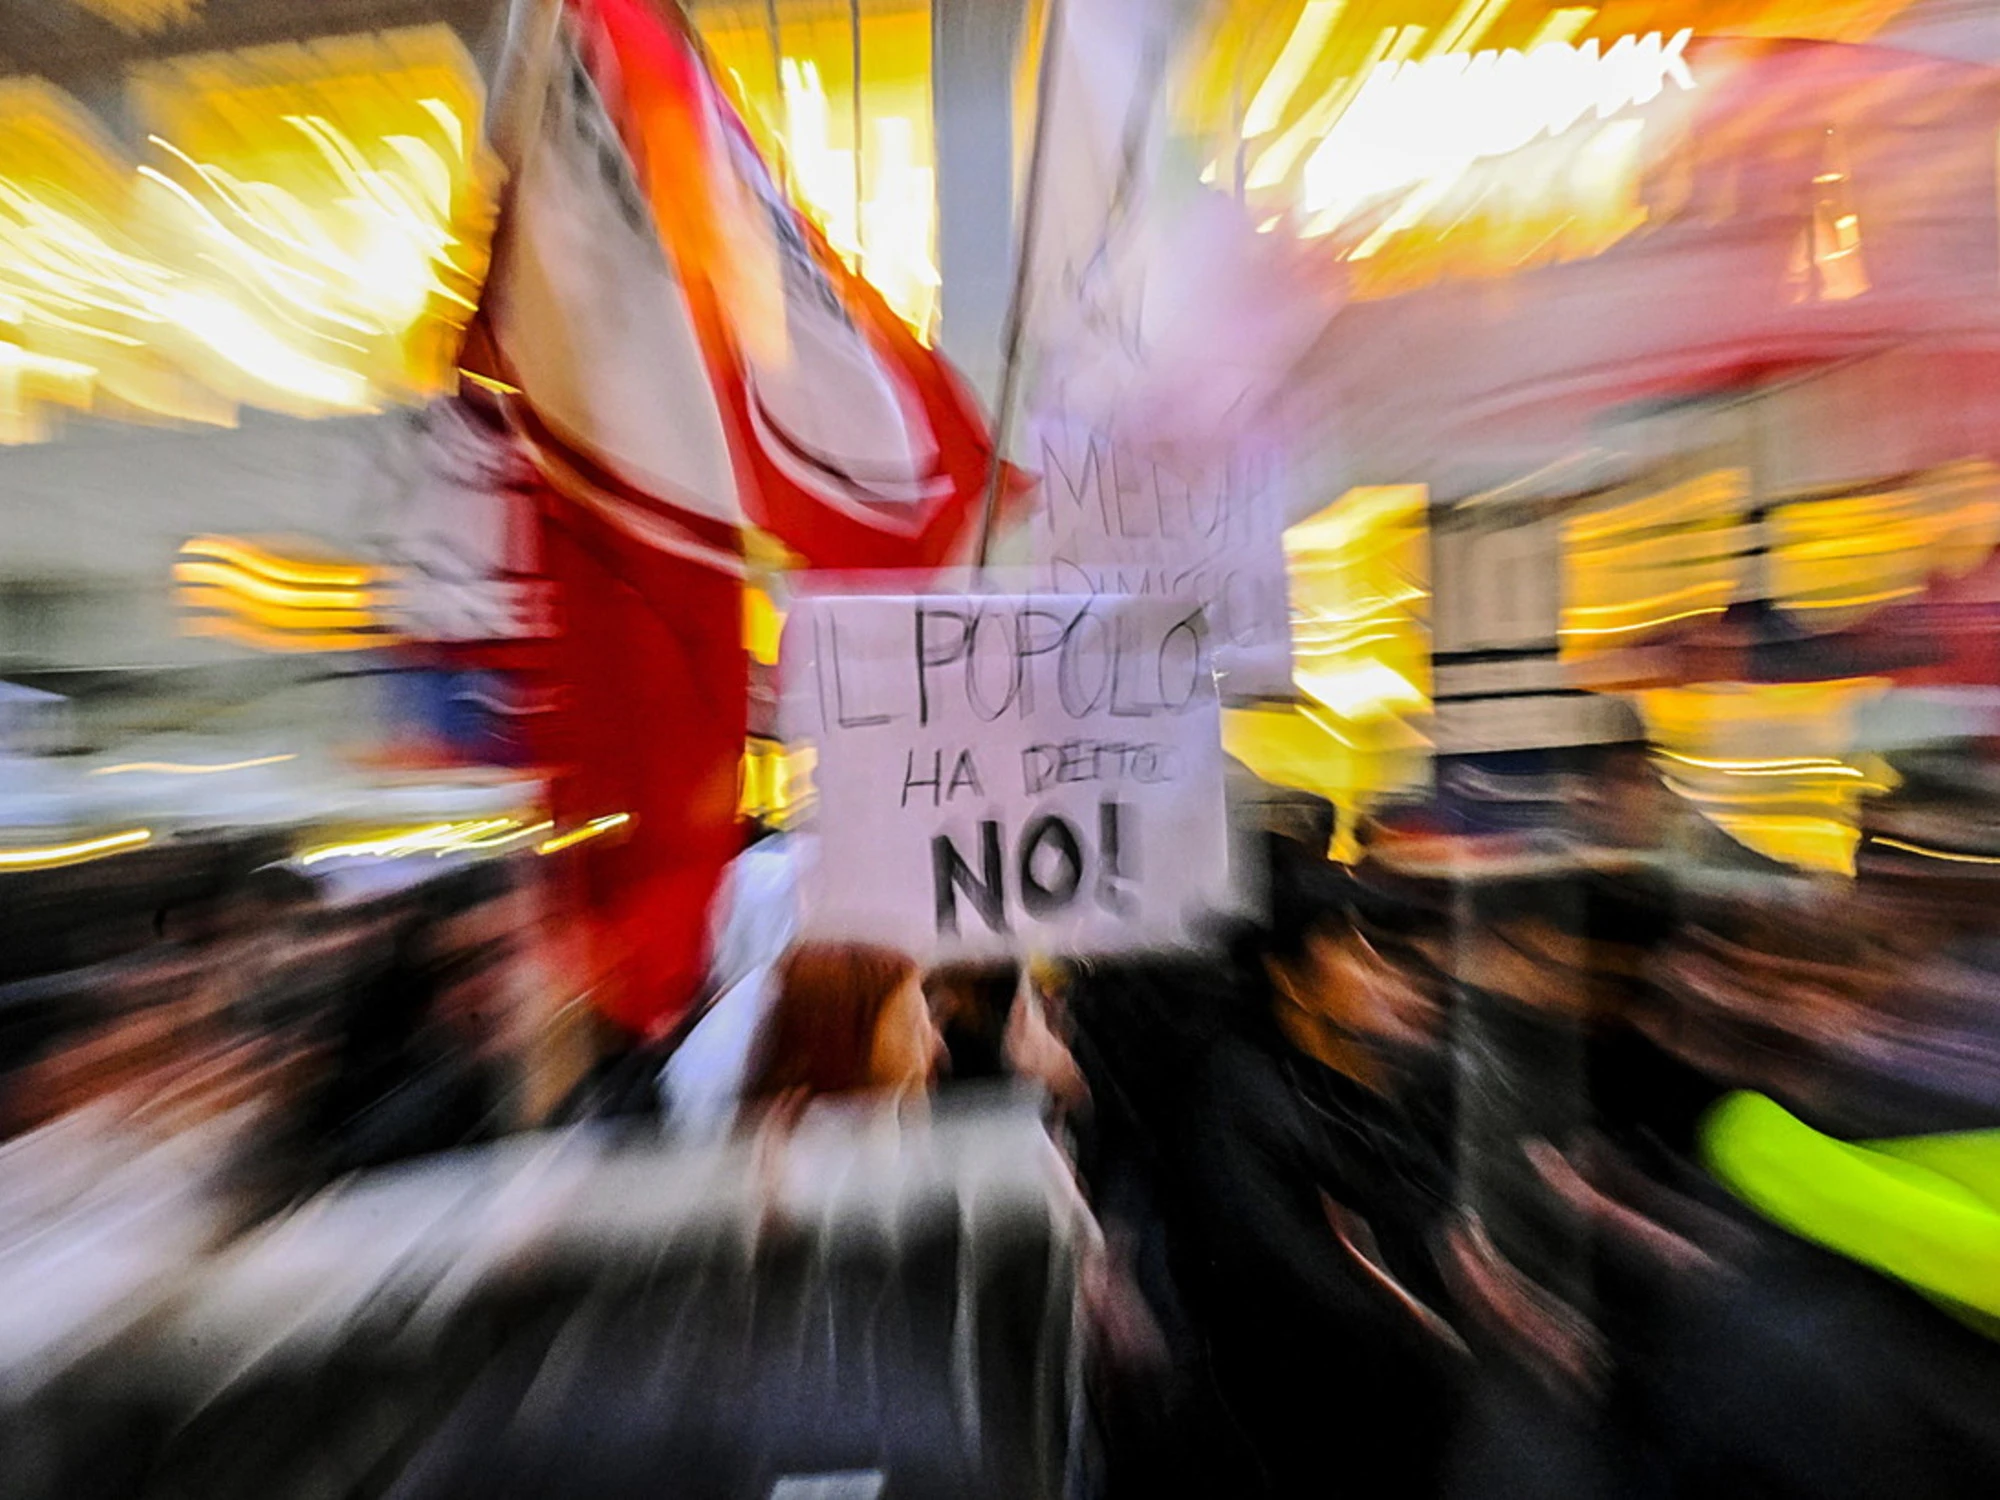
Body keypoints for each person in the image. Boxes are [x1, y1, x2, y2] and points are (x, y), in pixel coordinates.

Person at [740, 940, 940, 1119]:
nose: (935, 1040)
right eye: (912, 1024)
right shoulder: (817, 1144)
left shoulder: (879, 1123)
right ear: (845, 1038)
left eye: (926, 1021)